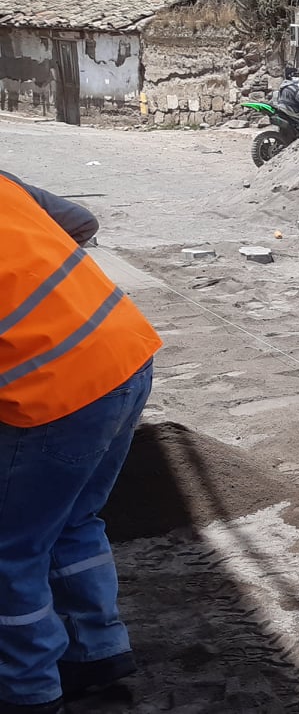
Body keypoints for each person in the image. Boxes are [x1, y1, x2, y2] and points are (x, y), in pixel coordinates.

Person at [1, 170, 162, 714]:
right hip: (122, 352)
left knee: (10, 548)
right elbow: (81, 222)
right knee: (73, 519)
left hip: (54, 389)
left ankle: (26, 689)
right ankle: (96, 652)